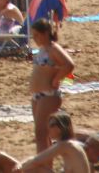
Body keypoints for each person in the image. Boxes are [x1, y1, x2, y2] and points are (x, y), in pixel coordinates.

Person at [0, 112, 94, 173]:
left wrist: (21, 166)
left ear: (59, 129)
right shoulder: (72, 146)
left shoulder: (65, 145)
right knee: (37, 168)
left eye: (51, 125)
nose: (48, 129)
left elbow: (36, 160)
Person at [29, 19, 75, 150]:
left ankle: (43, 166)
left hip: (48, 95)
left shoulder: (54, 48)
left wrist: (57, 79)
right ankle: (45, 164)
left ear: (46, 33)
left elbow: (69, 65)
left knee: (41, 132)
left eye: (37, 35)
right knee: (43, 133)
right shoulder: (43, 49)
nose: (35, 38)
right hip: (37, 95)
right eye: (33, 35)